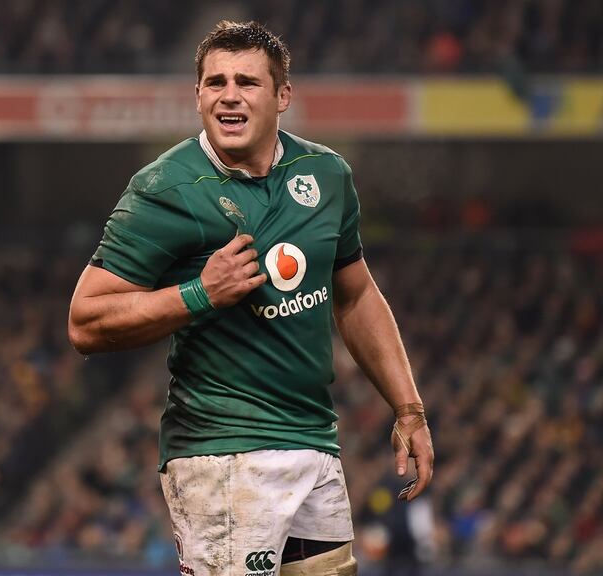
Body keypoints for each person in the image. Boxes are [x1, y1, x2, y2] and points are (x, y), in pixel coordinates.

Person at [67, 20, 434, 576]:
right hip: (222, 452)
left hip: (314, 442)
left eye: (247, 82)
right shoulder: (164, 189)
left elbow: (357, 295)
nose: (229, 95)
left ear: (283, 96)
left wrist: (409, 409)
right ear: (197, 96)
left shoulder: (326, 174)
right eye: (215, 83)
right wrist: (200, 293)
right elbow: (85, 322)